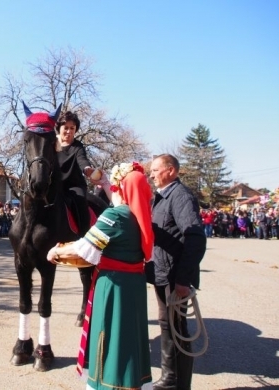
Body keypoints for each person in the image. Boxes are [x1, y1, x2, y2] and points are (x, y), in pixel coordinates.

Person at [47, 162, 153, 390]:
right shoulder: (139, 214)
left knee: (110, 335)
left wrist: (56, 251)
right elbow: (120, 200)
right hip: (133, 286)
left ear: (123, 189)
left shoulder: (116, 216)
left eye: (117, 186)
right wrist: (105, 182)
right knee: (130, 338)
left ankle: (109, 384)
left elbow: (83, 247)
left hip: (113, 286)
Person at [149, 154, 206, 390]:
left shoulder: (180, 196)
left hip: (174, 276)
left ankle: (179, 384)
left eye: (155, 170)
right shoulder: (163, 197)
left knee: (177, 329)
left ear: (171, 171)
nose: (151, 175)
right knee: (167, 325)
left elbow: (195, 238)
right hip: (164, 272)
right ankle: (170, 378)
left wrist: (183, 279)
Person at [56, 111, 95, 236]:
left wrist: (87, 169)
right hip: (55, 185)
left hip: (74, 186)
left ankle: (84, 236)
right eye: (65, 128)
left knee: (80, 202)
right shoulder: (51, 145)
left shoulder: (77, 147)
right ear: (59, 128)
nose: (69, 131)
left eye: (72, 128)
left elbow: (82, 160)